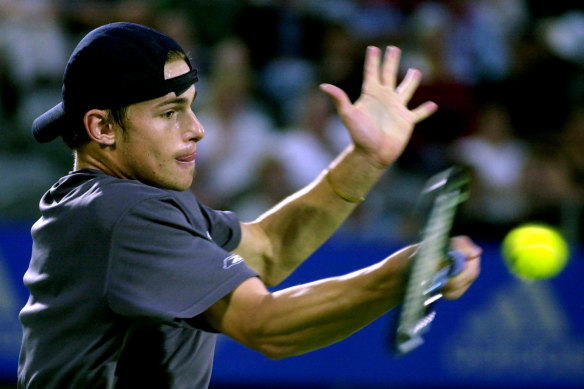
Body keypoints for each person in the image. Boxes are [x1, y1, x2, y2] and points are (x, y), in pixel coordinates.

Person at [17, 22, 481, 388]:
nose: (197, 128)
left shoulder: (119, 203)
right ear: (102, 128)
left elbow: (269, 248)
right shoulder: (124, 214)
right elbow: (268, 326)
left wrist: (365, 160)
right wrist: (401, 274)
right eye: (169, 112)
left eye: (192, 106)